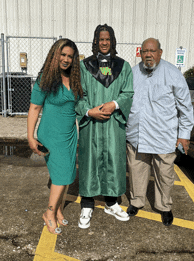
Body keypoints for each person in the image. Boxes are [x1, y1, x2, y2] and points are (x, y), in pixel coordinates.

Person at [126, 38, 194, 226]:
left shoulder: (172, 74)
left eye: (152, 51)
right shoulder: (132, 73)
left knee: (164, 174)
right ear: (140, 53)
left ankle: (164, 206)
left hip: (163, 135)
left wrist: (184, 135)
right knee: (136, 169)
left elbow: (185, 107)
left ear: (160, 52)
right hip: (137, 134)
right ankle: (136, 201)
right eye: (145, 51)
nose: (149, 54)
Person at [75, 24, 134, 229]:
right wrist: (89, 111)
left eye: (108, 39)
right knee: (89, 160)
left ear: (113, 41)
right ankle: (87, 204)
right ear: (95, 41)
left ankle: (111, 202)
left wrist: (115, 104)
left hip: (112, 124)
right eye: (101, 39)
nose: (104, 42)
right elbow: (78, 95)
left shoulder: (123, 66)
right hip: (91, 123)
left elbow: (128, 93)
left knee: (113, 159)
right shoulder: (84, 66)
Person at [27, 38, 83, 234]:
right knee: (60, 176)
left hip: (69, 135)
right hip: (51, 134)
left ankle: (59, 209)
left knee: (67, 175)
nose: (66, 59)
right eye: (63, 54)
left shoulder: (74, 78)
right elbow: (34, 108)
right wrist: (30, 137)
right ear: (55, 55)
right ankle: (49, 214)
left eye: (70, 56)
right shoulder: (46, 78)